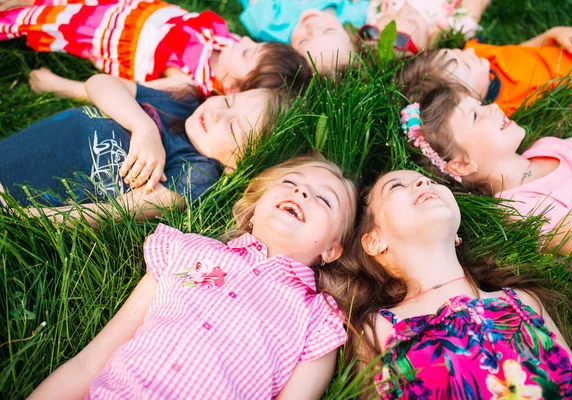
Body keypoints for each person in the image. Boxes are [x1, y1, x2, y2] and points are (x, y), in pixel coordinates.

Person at [27, 153, 358, 399]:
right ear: (256, 207)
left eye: (324, 199)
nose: (302, 193)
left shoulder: (317, 317)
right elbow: (90, 362)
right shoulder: (190, 254)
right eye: (291, 183)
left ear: (332, 250)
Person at [343, 169, 572, 399]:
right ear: (374, 242)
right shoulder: (377, 330)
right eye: (396, 186)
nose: (423, 181)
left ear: (456, 235)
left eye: (430, 181)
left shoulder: (521, 302)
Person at [0, 73, 284, 227]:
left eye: (234, 128)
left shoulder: (198, 173)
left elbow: (117, 211)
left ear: (238, 164)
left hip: (27, 195)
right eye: (229, 101)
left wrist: (32, 218)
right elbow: (100, 82)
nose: (218, 114)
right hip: (29, 146)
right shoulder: (182, 99)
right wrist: (143, 127)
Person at [397, 82, 572, 277]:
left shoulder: (549, 147)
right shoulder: (520, 208)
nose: (493, 107)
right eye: (475, 116)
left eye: (481, 104)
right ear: (462, 165)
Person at [0, 0, 311, 100]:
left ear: (231, 88)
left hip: (107, 33)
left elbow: (125, 90)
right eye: (253, 43)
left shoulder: (187, 83)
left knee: (46, 16)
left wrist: (57, 85)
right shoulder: (228, 45)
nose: (243, 41)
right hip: (128, 9)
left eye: (248, 53)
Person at [401, 26, 572, 116]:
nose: (469, 51)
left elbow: (518, 53)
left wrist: (549, 36)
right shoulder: (508, 110)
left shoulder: (484, 59)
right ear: (469, 100)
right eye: (467, 64)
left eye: (459, 52)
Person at [238, 0, 369, 76]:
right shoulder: (352, 18)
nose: (311, 25)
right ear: (349, 34)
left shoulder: (271, 25)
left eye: (304, 41)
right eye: (329, 30)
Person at [365, 0, 490, 50]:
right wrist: (447, 27)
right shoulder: (439, 22)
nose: (404, 11)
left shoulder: (387, 8)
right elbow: (468, 27)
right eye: (411, 21)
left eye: (394, 15)